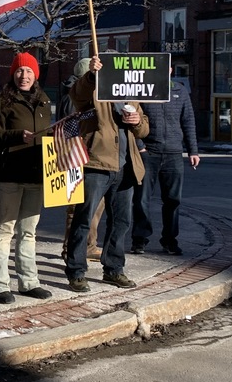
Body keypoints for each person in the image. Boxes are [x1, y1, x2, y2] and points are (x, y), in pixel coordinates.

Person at [64, 54, 149, 293]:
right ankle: (76, 272)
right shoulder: (93, 90)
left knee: (121, 221)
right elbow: (78, 96)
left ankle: (113, 269)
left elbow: (144, 128)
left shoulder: (130, 94)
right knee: (84, 219)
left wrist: (135, 121)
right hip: (97, 164)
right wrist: (92, 75)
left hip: (126, 167)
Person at [0, 52, 52, 304]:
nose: (24, 76)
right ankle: (0, 285)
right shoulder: (1, 101)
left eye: (29, 71)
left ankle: (29, 282)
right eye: (20, 71)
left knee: (28, 232)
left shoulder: (43, 101)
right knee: (4, 230)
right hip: (7, 176)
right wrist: (15, 136)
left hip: (36, 176)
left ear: (36, 75)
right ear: (13, 74)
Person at [131, 69, 200, 256]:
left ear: (170, 69)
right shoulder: (142, 90)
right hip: (149, 152)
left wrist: (193, 150)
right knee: (141, 199)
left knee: (172, 200)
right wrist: (140, 146)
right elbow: (131, 118)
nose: (164, 69)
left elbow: (188, 121)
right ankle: (139, 239)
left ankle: (170, 240)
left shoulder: (179, 90)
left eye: (167, 66)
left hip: (174, 153)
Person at [59, 58, 103, 263]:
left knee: (89, 207)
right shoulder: (73, 95)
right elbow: (73, 124)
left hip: (83, 153)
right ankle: (73, 249)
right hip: (77, 154)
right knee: (78, 207)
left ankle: (88, 245)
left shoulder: (73, 91)